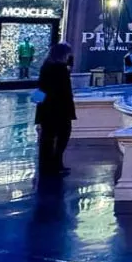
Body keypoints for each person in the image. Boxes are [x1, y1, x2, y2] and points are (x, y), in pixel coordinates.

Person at [35, 43, 76, 177]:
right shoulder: (60, 69)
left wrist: (38, 109)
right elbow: (64, 91)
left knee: (48, 137)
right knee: (62, 135)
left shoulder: (45, 66)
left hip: (46, 108)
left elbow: (41, 87)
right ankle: (55, 164)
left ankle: (48, 166)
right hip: (59, 108)